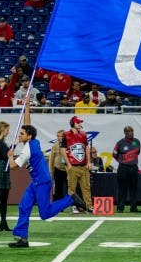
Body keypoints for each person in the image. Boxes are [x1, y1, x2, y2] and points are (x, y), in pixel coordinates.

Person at [7, 104, 86, 248]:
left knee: (45, 213)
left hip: (42, 183)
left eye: (22, 134)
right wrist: (27, 108)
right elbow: (27, 124)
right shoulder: (33, 141)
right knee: (24, 206)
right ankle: (22, 238)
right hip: (35, 182)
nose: (19, 136)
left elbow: (13, 167)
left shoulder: (27, 151)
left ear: (29, 136)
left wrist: (10, 156)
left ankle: (71, 199)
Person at [65, 115, 92, 212]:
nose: (80, 124)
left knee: (86, 187)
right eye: (78, 122)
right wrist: (68, 164)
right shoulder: (66, 134)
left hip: (83, 166)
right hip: (73, 165)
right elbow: (63, 150)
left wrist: (89, 161)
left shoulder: (83, 134)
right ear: (73, 123)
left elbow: (86, 148)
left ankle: (89, 206)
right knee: (72, 188)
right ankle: (74, 206)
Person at [113, 125, 141, 213]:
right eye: (128, 132)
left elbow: (138, 152)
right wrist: (122, 161)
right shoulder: (120, 143)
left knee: (134, 188)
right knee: (122, 188)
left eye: (132, 131)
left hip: (134, 167)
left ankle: (133, 208)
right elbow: (114, 154)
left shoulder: (137, 141)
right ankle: (120, 208)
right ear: (125, 133)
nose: (130, 133)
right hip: (123, 168)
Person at [49, 129, 69, 201]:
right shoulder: (55, 146)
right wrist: (51, 171)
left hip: (68, 169)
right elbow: (51, 159)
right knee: (58, 188)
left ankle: (73, 205)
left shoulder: (69, 144)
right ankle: (57, 205)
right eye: (57, 136)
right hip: (58, 169)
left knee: (70, 187)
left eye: (60, 136)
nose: (59, 138)